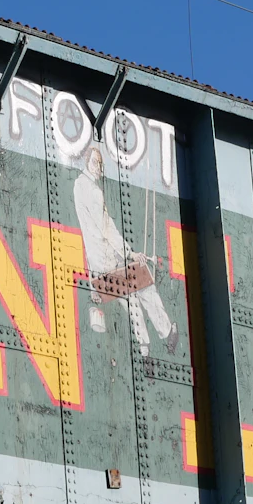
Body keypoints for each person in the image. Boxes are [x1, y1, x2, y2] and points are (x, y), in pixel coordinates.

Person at [72, 142, 176, 357]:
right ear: (86, 162)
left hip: (97, 269)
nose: (98, 168)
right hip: (109, 261)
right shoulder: (92, 191)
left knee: (131, 300)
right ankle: (166, 333)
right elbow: (106, 229)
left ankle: (145, 349)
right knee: (145, 285)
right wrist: (130, 253)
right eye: (95, 163)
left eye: (99, 164)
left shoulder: (78, 186)